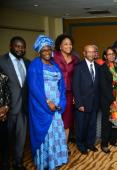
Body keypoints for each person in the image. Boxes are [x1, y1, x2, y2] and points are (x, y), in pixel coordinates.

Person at [28, 35, 68, 170]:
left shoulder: (54, 64)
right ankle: (47, 162)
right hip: (42, 106)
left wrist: (61, 101)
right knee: (47, 133)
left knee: (56, 131)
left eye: (48, 49)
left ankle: (57, 159)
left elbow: (61, 84)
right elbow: (34, 88)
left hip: (56, 106)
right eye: (44, 50)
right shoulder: (35, 65)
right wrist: (47, 102)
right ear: (39, 51)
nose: (46, 52)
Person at [0, 36, 30, 170]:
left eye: (23, 47)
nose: (20, 49)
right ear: (11, 46)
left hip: (23, 108)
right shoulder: (1, 61)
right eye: (17, 46)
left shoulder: (28, 62)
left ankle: (18, 163)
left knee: (21, 139)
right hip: (7, 109)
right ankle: (4, 163)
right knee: (5, 139)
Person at [72, 45, 100, 154]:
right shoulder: (79, 67)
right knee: (81, 126)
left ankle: (90, 144)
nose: (91, 54)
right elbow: (75, 86)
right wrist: (79, 103)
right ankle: (81, 145)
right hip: (83, 103)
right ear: (84, 53)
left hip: (95, 102)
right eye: (89, 52)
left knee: (92, 124)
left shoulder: (97, 66)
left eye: (93, 52)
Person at [53, 34, 78, 150]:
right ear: (60, 46)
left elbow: (77, 78)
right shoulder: (53, 57)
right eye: (65, 44)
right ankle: (54, 146)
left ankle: (64, 146)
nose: (69, 46)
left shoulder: (75, 59)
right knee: (55, 120)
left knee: (67, 121)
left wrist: (75, 95)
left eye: (70, 44)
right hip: (55, 93)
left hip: (69, 94)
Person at [100, 47, 117, 153]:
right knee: (106, 122)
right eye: (109, 54)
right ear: (105, 56)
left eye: (113, 54)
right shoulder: (102, 68)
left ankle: (113, 140)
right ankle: (104, 143)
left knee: (115, 120)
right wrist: (114, 102)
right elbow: (104, 87)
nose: (111, 56)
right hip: (107, 100)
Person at [0, 69, 10, 170]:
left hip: (2, 116)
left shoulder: (3, 76)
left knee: (4, 141)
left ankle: (5, 163)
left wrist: (5, 108)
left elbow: (7, 93)